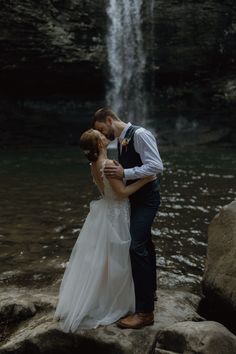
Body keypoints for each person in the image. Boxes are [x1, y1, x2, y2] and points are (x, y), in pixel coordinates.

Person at [54, 129, 155, 332]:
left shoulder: (93, 165)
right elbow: (122, 193)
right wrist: (146, 179)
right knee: (118, 259)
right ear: (100, 144)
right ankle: (118, 301)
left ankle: (104, 295)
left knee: (103, 259)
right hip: (117, 213)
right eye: (100, 134)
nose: (103, 134)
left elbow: (107, 191)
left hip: (104, 211)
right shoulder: (108, 164)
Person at [92, 107, 163, 329]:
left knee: (135, 245)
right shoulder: (122, 140)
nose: (102, 135)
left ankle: (145, 313)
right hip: (134, 200)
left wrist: (126, 173)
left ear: (110, 119)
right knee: (146, 243)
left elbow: (157, 166)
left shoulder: (140, 134)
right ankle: (150, 292)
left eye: (101, 129)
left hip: (148, 200)